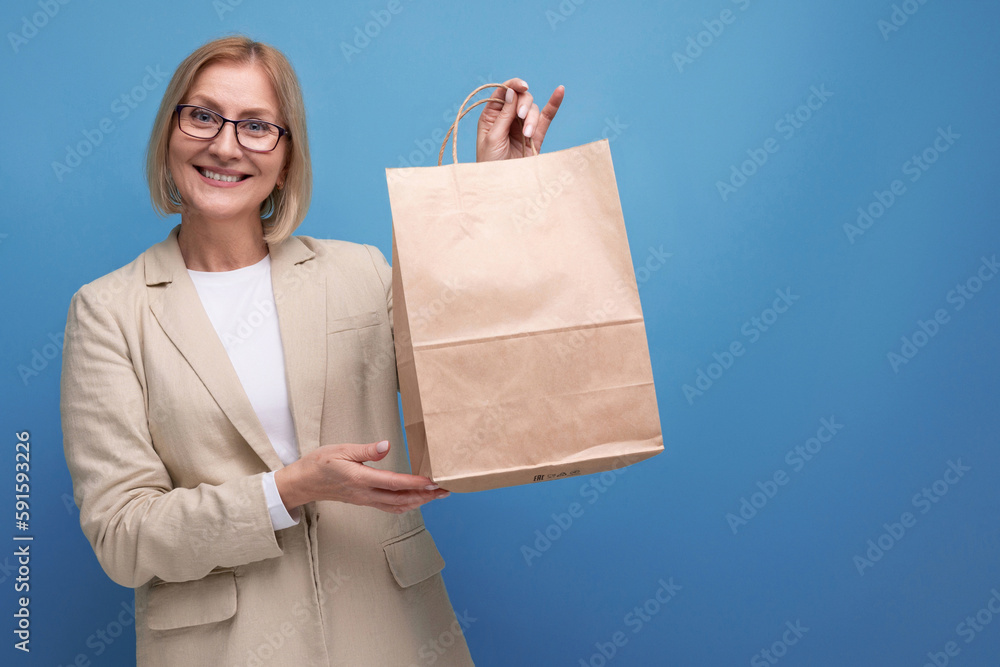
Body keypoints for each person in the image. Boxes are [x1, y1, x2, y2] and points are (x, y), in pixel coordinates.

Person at [59, 35, 562, 666]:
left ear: (288, 156)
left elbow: (480, 376)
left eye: (256, 126)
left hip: (393, 636)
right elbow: (122, 536)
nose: (225, 145)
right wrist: (288, 489)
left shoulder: (361, 273)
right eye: (203, 115)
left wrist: (497, 195)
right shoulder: (108, 311)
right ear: (169, 134)